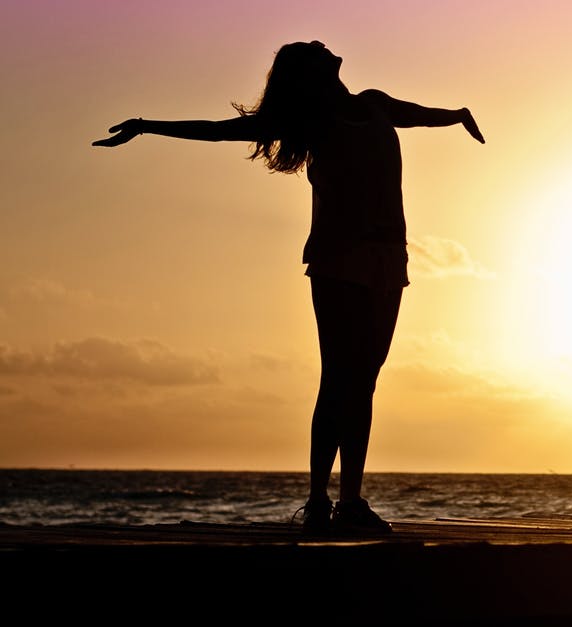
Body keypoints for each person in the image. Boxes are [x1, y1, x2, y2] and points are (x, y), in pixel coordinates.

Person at [93, 41, 485, 536]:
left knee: (363, 380)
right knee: (340, 377)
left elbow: (423, 116)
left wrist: (458, 114)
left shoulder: (374, 103)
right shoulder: (311, 120)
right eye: (315, 51)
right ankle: (324, 500)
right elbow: (221, 132)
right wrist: (148, 126)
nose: (326, 46)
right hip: (338, 258)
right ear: (309, 74)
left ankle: (348, 501)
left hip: (390, 259)